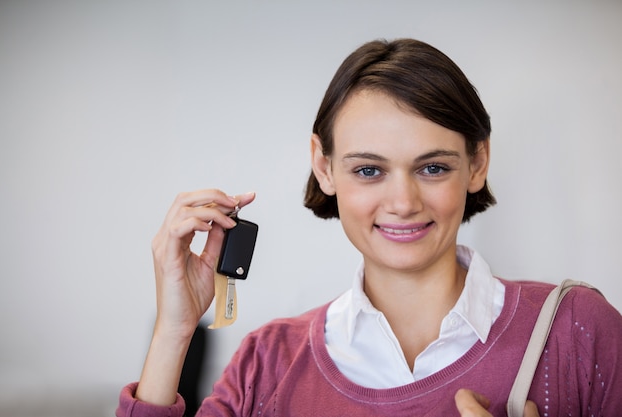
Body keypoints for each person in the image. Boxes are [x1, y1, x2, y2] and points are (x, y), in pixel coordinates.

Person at [116, 39, 622, 416]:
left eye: (432, 167)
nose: (402, 202)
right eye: (369, 170)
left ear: (478, 162)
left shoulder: (578, 331)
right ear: (323, 166)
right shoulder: (266, 365)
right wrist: (173, 331)